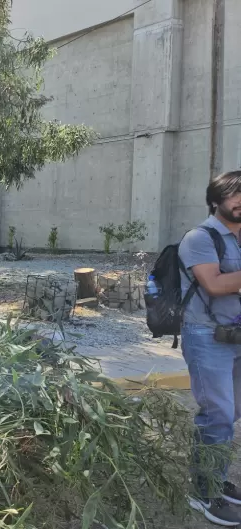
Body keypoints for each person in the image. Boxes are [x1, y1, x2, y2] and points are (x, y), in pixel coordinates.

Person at [180, 170, 241, 526]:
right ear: (216, 200)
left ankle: (214, 477)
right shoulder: (199, 238)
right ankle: (203, 493)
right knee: (217, 414)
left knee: (230, 412)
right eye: (234, 195)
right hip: (206, 337)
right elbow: (215, 284)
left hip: (236, 335)